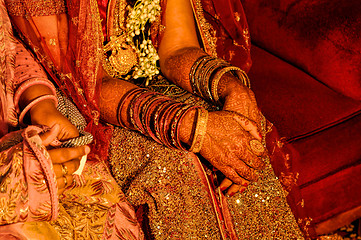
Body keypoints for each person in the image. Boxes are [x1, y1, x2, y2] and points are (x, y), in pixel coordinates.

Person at [2, 0, 308, 239]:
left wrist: (232, 89)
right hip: (88, 106)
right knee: (174, 167)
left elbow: (177, 47)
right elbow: (88, 84)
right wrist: (192, 126)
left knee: (246, 133)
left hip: (155, 86)